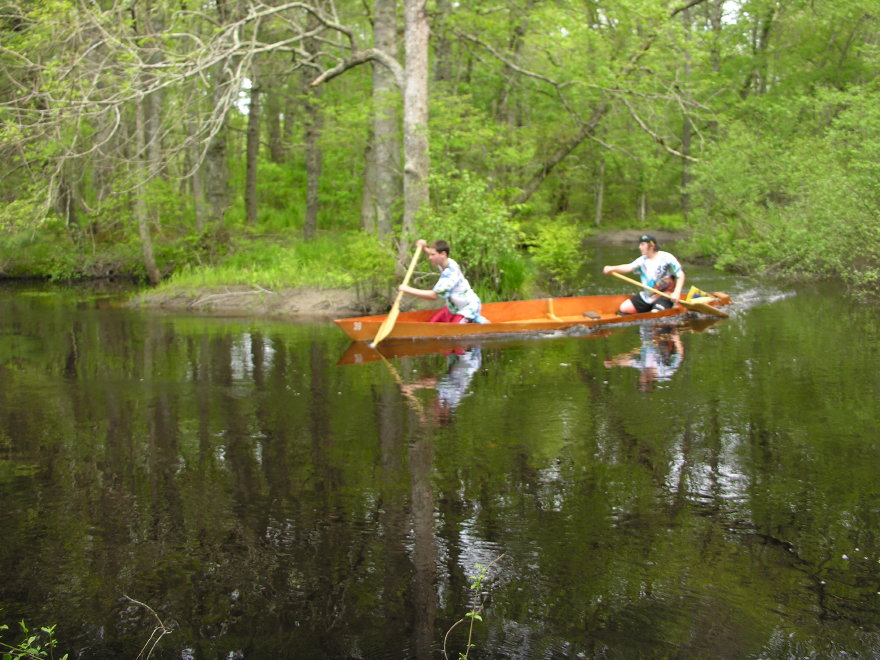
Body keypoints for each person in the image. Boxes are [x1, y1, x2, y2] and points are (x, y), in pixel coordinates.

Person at [399, 239, 487, 323]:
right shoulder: (445, 262)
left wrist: (407, 289)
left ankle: (475, 321)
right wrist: (424, 248)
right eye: (430, 254)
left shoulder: (450, 274)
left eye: (432, 255)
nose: (430, 257)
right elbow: (434, 254)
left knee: (453, 333)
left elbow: (433, 296)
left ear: (443, 254)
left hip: (467, 308)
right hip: (453, 308)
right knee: (431, 325)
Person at [602, 234, 685, 315]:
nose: (639, 247)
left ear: (651, 246)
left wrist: (677, 292)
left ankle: (663, 308)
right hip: (647, 297)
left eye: (642, 244)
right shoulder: (642, 260)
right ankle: (650, 308)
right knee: (624, 308)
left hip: (665, 295)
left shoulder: (666, 257)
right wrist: (612, 268)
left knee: (654, 314)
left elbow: (680, 274)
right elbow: (628, 267)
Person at [604, 325, 684, 392]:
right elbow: (679, 355)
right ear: (651, 381)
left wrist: (613, 362)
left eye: (642, 380)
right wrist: (676, 338)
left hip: (649, 332)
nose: (643, 377)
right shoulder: (665, 371)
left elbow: (629, 361)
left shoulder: (642, 366)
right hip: (665, 335)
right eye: (646, 382)